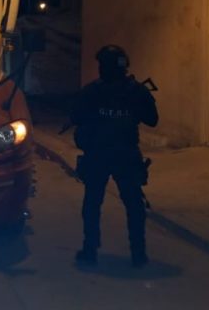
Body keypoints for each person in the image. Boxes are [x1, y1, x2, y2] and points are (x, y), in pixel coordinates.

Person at [70, 44, 158, 268]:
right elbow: (152, 119)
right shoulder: (136, 91)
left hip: (99, 154)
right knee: (133, 205)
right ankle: (138, 253)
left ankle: (90, 250)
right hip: (125, 154)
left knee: (93, 203)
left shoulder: (92, 91)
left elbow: (76, 117)